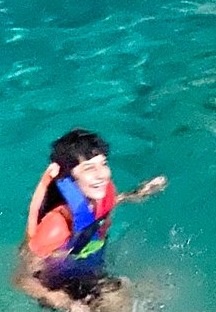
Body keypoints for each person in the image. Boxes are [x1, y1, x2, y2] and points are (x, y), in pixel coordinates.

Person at [13, 128, 167, 312]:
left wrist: (136, 194)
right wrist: (61, 301)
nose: (102, 174)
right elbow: (21, 279)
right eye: (89, 168)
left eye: (103, 163)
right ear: (68, 178)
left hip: (89, 271)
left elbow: (107, 206)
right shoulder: (57, 225)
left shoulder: (100, 198)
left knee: (156, 288)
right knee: (118, 294)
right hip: (60, 283)